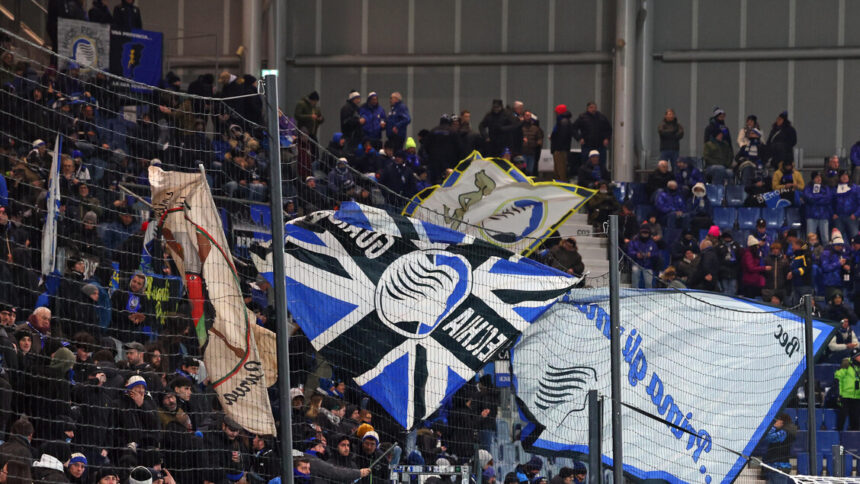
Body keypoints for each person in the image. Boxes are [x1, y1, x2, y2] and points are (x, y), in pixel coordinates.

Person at [571, 102, 612, 171]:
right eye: (591, 107)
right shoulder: (582, 117)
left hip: (600, 145)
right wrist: (579, 138)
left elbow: (608, 129)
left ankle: (602, 178)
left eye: (595, 107)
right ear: (587, 108)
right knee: (586, 163)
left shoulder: (601, 117)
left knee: (601, 163)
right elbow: (573, 129)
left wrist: (607, 138)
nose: (593, 109)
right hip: (587, 145)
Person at [762, 413, 795, 484]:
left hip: (779, 468)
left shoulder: (785, 432)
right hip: (774, 467)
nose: (775, 422)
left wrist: (774, 427)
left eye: (777, 420)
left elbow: (769, 437)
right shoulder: (786, 431)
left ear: (782, 421)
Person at [802, 172, 833, 244]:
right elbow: (808, 198)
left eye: (820, 177)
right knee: (810, 237)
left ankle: (827, 254)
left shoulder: (826, 187)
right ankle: (809, 253)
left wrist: (815, 198)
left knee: (825, 238)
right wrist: (821, 197)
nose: (819, 179)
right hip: (811, 215)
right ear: (813, 179)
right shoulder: (808, 187)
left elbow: (828, 199)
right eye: (817, 177)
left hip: (823, 215)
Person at [550, 104, 575, 181]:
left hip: (560, 149)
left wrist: (556, 141)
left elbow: (562, 136)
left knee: (560, 169)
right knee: (559, 169)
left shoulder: (563, 122)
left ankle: (562, 184)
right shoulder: (563, 121)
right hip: (560, 149)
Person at [833, 171, 860, 242]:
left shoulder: (856, 188)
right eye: (842, 176)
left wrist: (856, 214)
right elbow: (832, 203)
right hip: (839, 217)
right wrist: (834, 213)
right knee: (838, 239)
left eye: (846, 175)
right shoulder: (835, 189)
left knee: (855, 238)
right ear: (839, 178)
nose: (845, 177)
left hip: (852, 217)